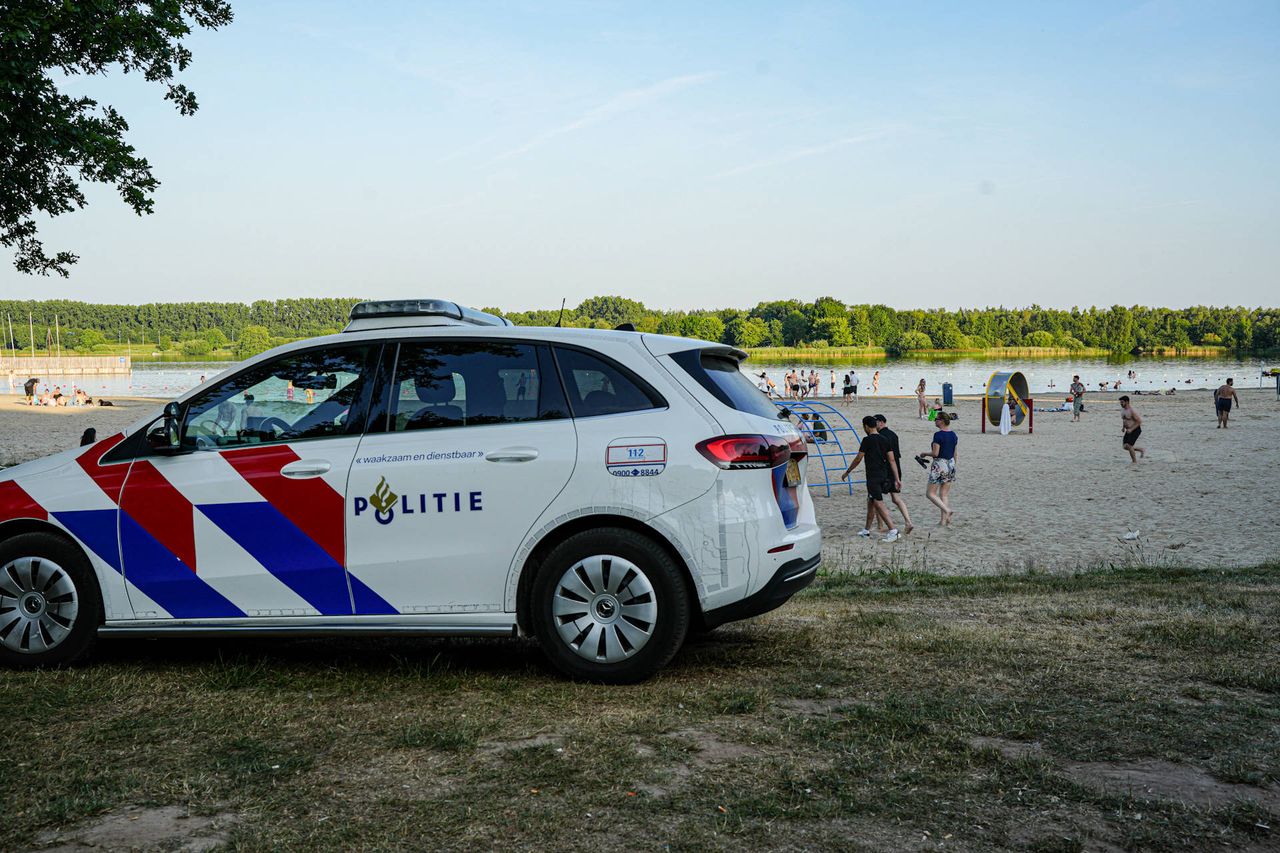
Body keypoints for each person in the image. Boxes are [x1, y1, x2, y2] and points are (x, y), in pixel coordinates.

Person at [840, 416, 900, 542]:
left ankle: (893, 530)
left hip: (873, 476)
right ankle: (866, 530)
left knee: (878, 502)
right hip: (884, 474)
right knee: (871, 502)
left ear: (866, 426)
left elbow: (858, 458)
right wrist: (897, 478)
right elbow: (892, 460)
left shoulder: (867, 440)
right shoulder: (885, 439)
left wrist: (848, 471)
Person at [873, 414, 913, 534]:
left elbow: (883, 456)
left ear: (881, 422)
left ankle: (880, 525)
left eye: (875, 423)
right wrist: (897, 477)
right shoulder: (894, 435)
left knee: (877, 498)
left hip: (884, 469)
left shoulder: (879, 436)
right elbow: (896, 456)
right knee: (896, 498)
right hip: (896, 468)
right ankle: (908, 521)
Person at [920, 411, 958, 525]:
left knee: (930, 493)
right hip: (950, 463)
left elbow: (935, 453)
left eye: (936, 419)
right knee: (944, 494)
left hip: (940, 464)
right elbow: (955, 453)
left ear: (941, 421)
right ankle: (944, 521)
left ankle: (947, 511)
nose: (935, 421)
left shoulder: (938, 435)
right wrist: (953, 466)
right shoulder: (953, 435)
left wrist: (925, 454)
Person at [1120, 395, 1145, 463]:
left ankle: (1134, 461)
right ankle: (1140, 449)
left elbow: (1139, 421)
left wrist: (1131, 429)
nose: (1121, 404)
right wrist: (1123, 427)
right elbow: (1124, 419)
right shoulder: (1122, 410)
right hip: (1128, 430)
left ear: (1127, 402)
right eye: (1120, 402)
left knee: (1129, 445)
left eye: (1122, 402)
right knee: (1125, 446)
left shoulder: (1132, 411)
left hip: (1135, 429)